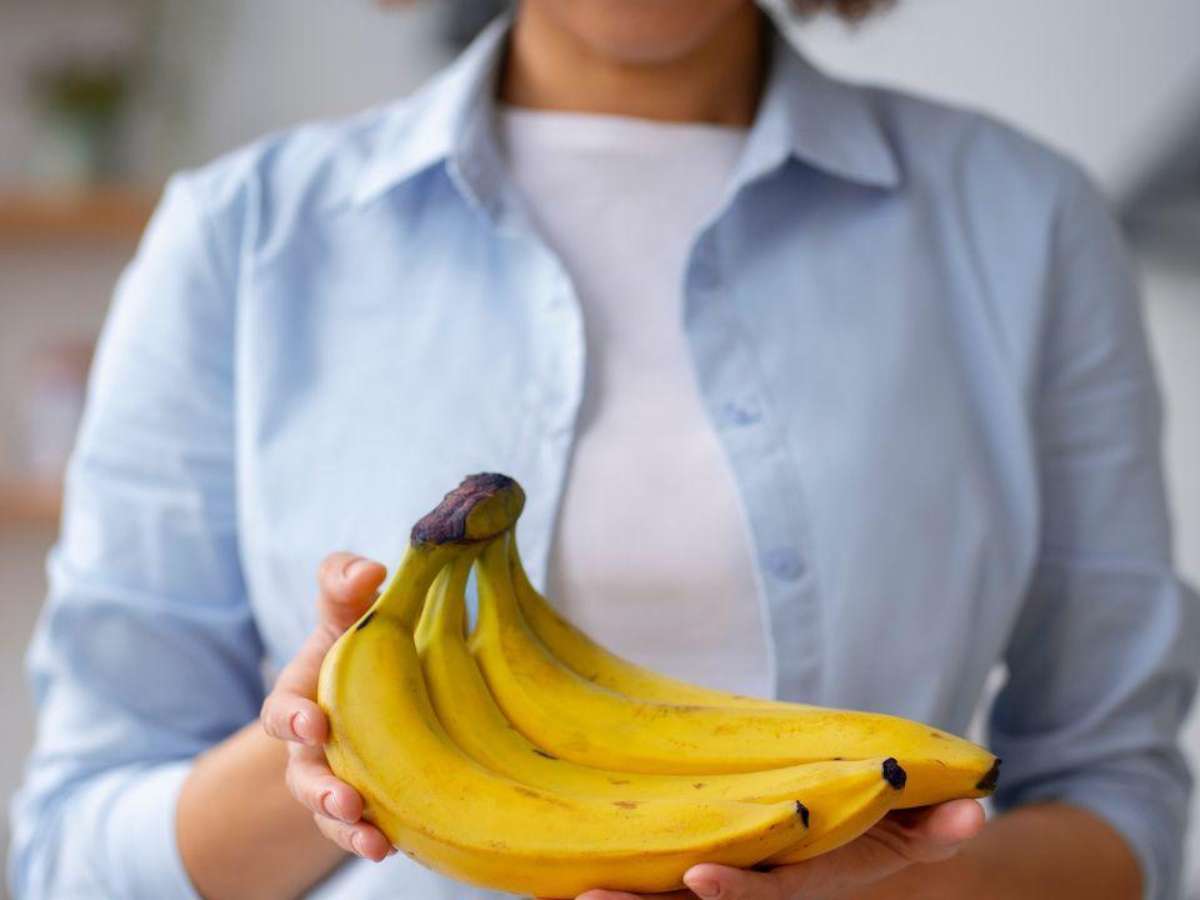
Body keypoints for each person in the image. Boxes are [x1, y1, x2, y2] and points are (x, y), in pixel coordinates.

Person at [8, 0, 1198, 897]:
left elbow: (1119, 797)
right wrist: (336, 746)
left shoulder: (1025, 223)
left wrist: (892, 889)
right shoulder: (242, 237)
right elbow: (71, 853)